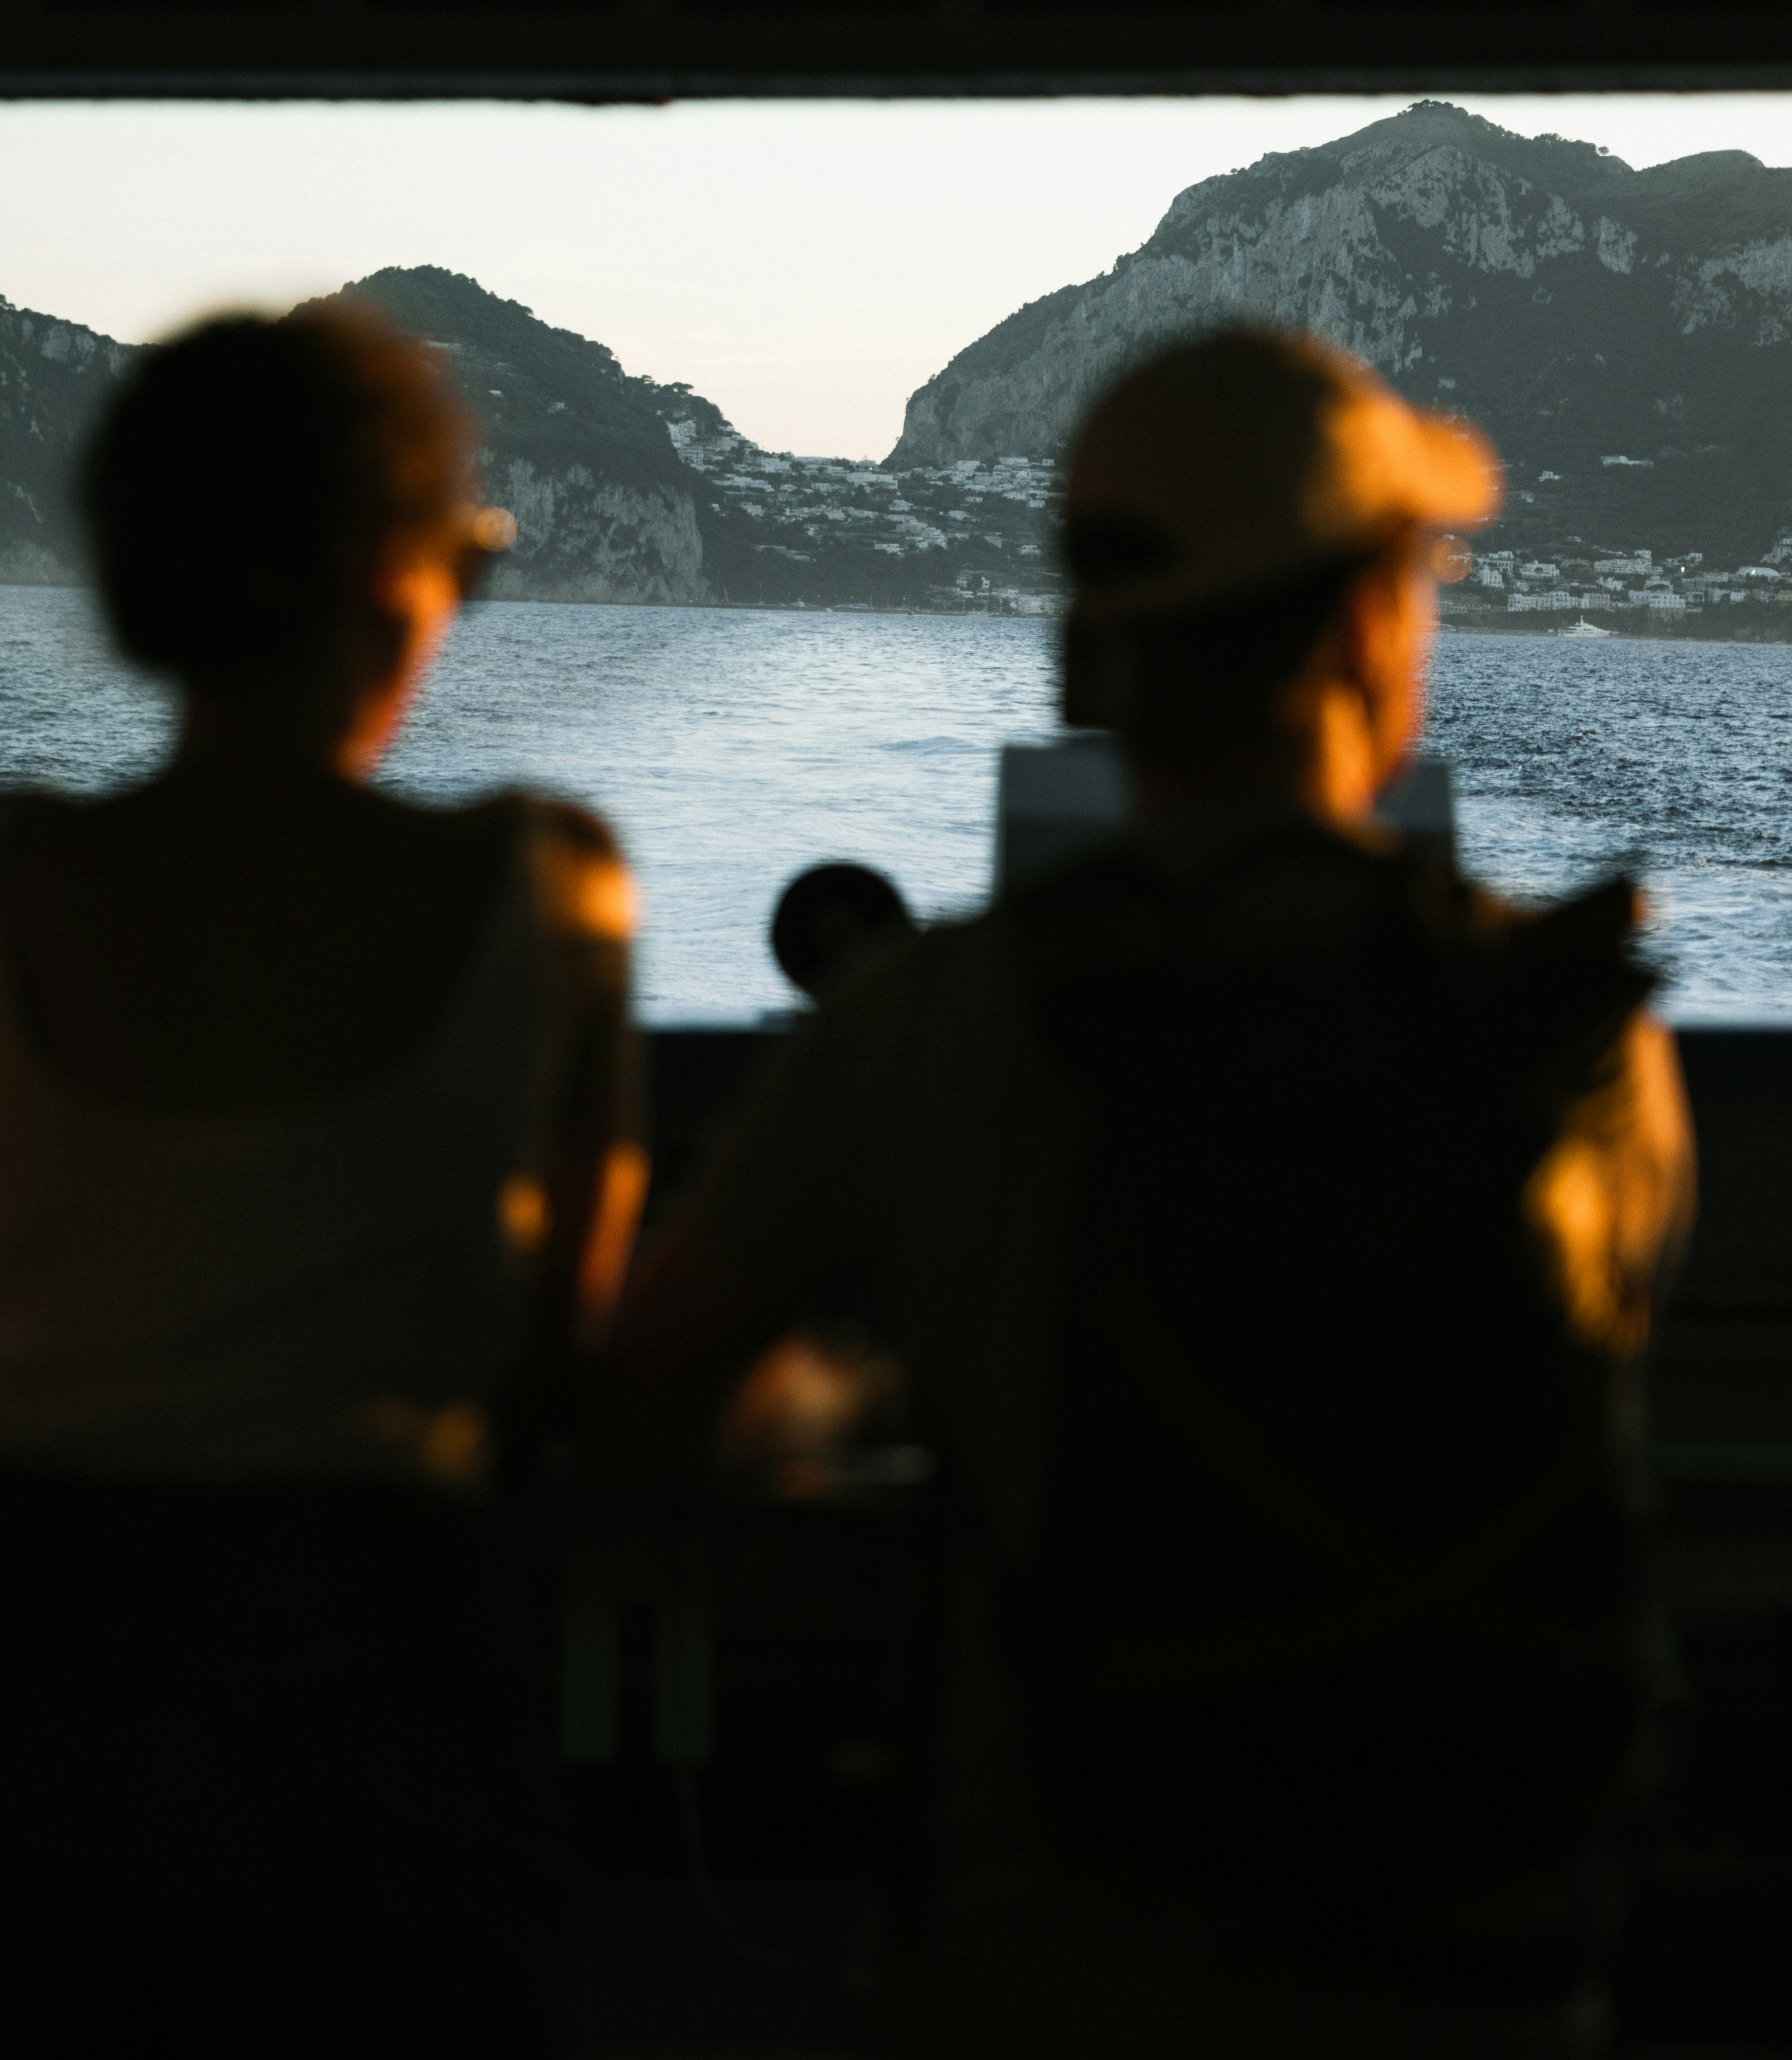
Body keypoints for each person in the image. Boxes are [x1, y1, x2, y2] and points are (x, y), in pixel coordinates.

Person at [600, 327, 1695, 2059]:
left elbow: (643, 1407)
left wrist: (863, 1395)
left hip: (1053, 1968)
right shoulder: (1573, 1043)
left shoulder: (928, 1027)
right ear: (1377, 628)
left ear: (1087, 656)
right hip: (1466, 1974)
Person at [0, 304, 646, 2059]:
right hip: (382, 1702)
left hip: (13, 1673)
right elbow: (563, 1367)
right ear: (391, 570)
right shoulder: (555, 887)